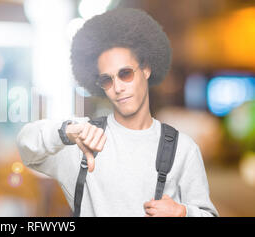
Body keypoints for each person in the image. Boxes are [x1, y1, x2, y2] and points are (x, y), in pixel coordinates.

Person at [16, 8, 219, 217]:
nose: (118, 87)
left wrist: (182, 213)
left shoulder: (182, 149)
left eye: (125, 73)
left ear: (146, 69)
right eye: (107, 79)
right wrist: (66, 132)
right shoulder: (82, 141)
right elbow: (26, 145)